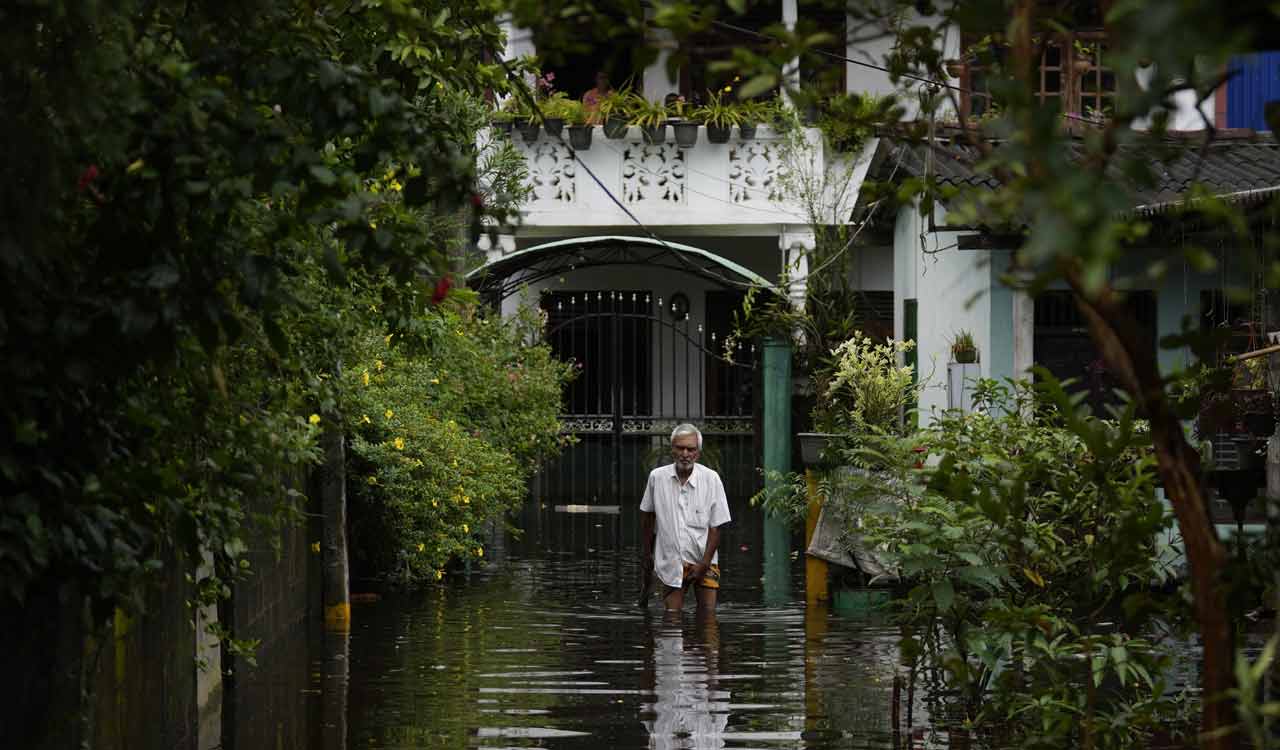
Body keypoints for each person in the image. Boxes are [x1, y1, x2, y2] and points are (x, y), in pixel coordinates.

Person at [640, 423, 731, 612]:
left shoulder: (711, 479)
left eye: (691, 449)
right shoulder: (657, 478)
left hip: (705, 560)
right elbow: (648, 517)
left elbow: (716, 527)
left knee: (708, 617)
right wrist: (647, 554)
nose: (685, 454)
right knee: (672, 617)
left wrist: (704, 563)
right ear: (672, 450)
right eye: (680, 448)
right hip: (671, 561)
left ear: (698, 453)